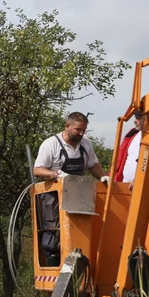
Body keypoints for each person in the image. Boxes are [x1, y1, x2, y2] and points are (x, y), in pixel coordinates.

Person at [32, 112, 109, 266]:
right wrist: (55, 174)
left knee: (80, 231)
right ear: (67, 126)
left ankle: (79, 264)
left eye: (84, 130)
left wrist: (103, 177)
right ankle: (54, 267)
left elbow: (92, 164)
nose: (81, 133)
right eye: (78, 129)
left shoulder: (85, 143)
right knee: (54, 235)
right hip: (54, 197)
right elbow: (37, 170)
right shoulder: (51, 144)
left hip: (79, 194)